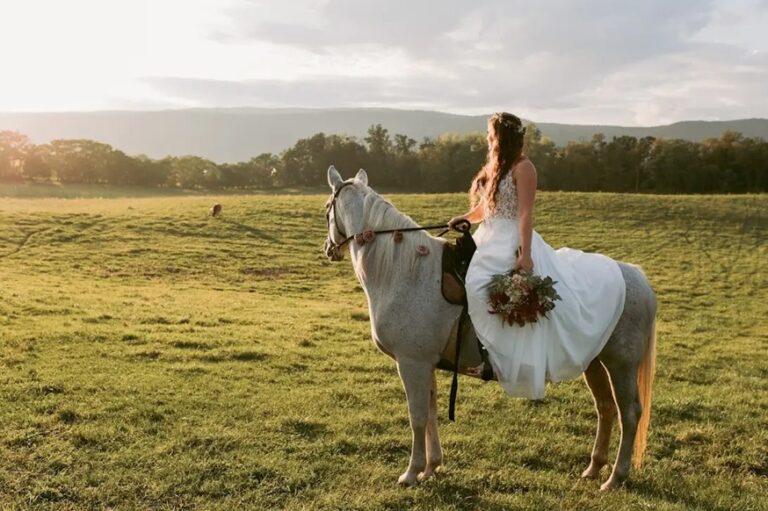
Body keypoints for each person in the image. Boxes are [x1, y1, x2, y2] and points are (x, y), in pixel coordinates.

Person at [448, 112, 626, 399]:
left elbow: (525, 212)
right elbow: (487, 208)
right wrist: (466, 217)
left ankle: (497, 358)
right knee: (466, 282)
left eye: (491, 133)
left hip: (509, 239)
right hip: (487, 235)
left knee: (478, 285)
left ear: (502, 136)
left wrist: (525, 253)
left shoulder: (524, 168)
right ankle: (482, 352)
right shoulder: (494, 166)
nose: (488, 138)